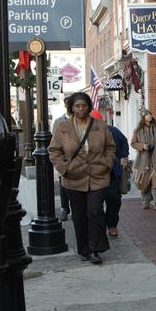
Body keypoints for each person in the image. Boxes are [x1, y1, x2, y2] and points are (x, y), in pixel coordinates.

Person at [48, 92, 115, 264]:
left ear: (89, 106)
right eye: (77, 106)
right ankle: (83, 249)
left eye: (84, 106)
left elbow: (110, 147)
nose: (81, 109)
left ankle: (95, 249)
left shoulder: (100, 125)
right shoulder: (63, 128)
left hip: (98, 176)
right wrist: (64, 168)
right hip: (73, 178)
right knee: (79, 215)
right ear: (71, 107)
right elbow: (54, 150)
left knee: (95, 211)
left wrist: (107, 163)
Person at [89, 111, 129, 238]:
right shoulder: (84, 134)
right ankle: (99, 227)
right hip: (93, 174)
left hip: (111, 173)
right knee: (95, 204)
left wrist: (123, 156)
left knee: (113, 200)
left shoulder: (113, 131)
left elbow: (124, 142)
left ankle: (112, 225)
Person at [131, 109, 156, 210]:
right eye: (147, 114)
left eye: (150, 114)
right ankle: (146, 200)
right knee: (145, 183)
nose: (149, 116)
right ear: (143, 117)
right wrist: (143, 146)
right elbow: (133, 143)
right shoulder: (138, 130)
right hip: (144, 161)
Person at [52, 96, 72, 221]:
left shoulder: (83, 120)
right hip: (64, 159)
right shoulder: (59, 121)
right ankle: (65, 208)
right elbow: (54, 141)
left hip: (80, 159)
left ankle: (77, 209)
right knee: (64, 185)